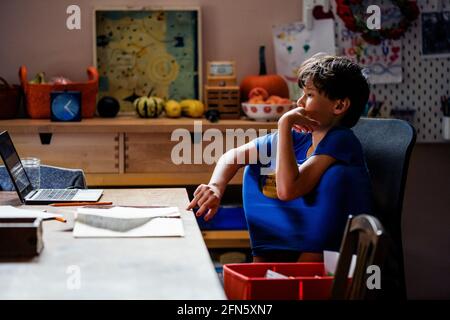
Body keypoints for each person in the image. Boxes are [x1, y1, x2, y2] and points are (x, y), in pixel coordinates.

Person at [187, 53, 373, 263]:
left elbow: (287, 190)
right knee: (256, 168)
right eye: (302, 93)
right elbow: (234, 156)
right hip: (289, 239)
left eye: (309, 95)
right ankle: (264, 260)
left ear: (339, 106)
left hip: (330, 253)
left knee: (336, 176)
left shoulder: (342, 140)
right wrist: (216, 186)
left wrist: (284, 125)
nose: (299, 102)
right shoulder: (300, 137)